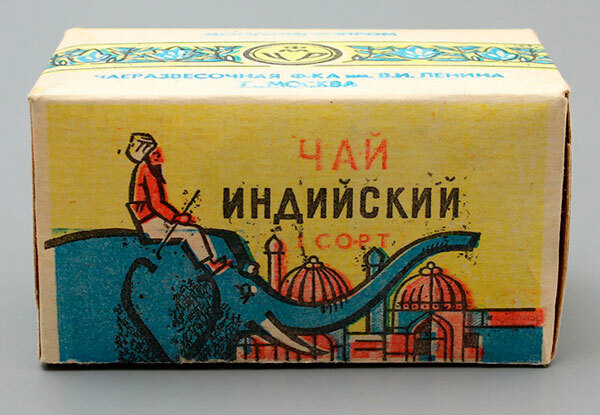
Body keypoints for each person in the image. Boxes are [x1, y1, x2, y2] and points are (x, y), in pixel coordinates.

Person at [125, 132, 224, 272]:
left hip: (155, 221)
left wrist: (178, 217)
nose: (159, 156)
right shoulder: (147, 170)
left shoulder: (146, 169)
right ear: (146, 155)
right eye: (154, 153)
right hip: (151, 223)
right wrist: (176, 217)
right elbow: (156, 204)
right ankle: (211, 266)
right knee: (193, 232)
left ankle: (210, 264)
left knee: (192, 229)